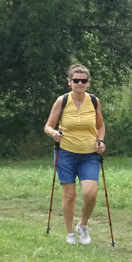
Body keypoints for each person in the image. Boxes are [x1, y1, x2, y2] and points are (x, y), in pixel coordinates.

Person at [43, 64, 105, 245]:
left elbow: (100, 126)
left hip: (89, 155)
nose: (80, 83)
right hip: (66, 154)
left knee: (90, 193)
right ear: (69, 82)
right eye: (76, 80)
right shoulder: (62, 101)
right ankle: (70, 233)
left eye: (83, 80)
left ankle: (83, 225)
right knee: (69, 195)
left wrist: (100, 142)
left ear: (88, 83)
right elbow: (48, 126)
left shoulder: (94, 101)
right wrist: (54, 133)